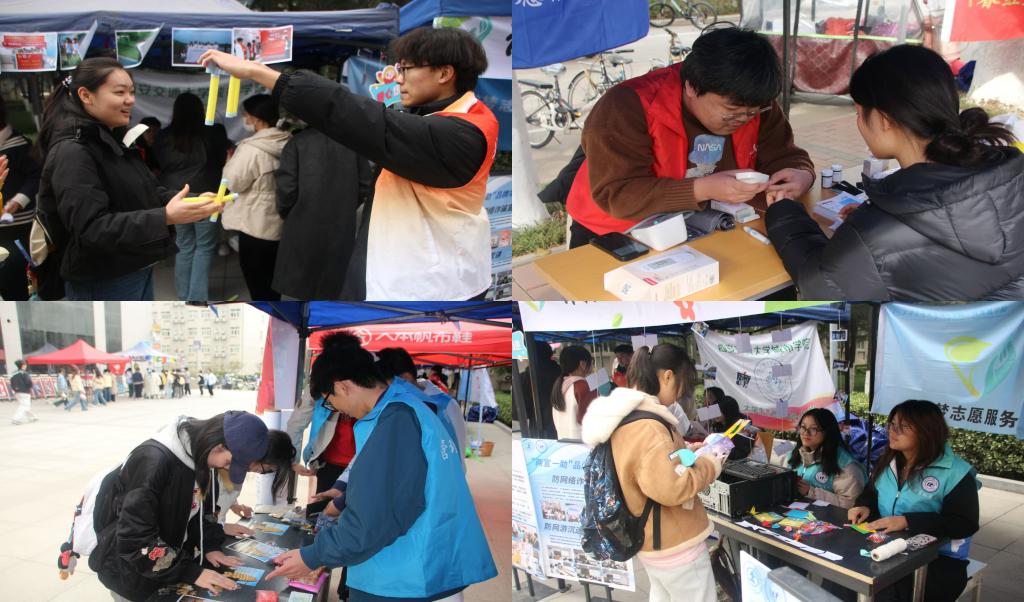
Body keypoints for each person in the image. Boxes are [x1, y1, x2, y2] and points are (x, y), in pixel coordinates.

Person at [199, 26, 498, 301]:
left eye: (406, 69)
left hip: (432, 286)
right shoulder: (443, 118)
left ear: (444, 73)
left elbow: (360, 117)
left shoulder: (461, 133)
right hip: (406, 269)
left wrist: (260, 73)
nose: (398, 78)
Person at [766, 45, 1024, 300]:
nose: (858, 123)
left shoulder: (879, 233)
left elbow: (818, 285)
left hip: (913, 329)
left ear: (884, 120)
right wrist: (871, 223)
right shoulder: (1011, 178)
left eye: (859, 113)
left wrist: (784, 212)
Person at [265, 332, 497, 600]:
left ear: (343, 386)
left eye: (330, 401)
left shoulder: (396, 420)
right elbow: (392, 485)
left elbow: (374, 516)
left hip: (404, 572)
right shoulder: (403, 407)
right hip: (415, 561)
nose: (336, 410)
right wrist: (344, 497)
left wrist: (312, 556)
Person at [563, 28, 814, 248]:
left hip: (702, 226)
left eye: (752, 112)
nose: (744, 119)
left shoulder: (754, 102)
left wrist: (802, 174)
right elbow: (618, 194)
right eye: (731, 112)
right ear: (691, 86)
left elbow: (785, 155)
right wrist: (703, 188)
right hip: (616, 234)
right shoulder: (626, 106)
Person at [35, 57, 220, 300]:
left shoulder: (110, 140)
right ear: (86, 95)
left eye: (132, 92)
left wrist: (195, 201)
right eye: (120, 92)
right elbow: (91, 229)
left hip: (134, 267)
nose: (130, 100)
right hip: (103, 279)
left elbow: (147, 191)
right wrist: (165, 217)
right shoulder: (73, 151)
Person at [581, 344, 729, 602]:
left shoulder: (626, 418)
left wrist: (687, 452)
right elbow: (673, 487)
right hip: (675, 543)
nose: (681, 393)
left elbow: (649, 467)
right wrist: (711, 463)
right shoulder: (650, 427)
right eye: (682, 384)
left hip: (652, 539)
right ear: (668, 376)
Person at [85, 411, 280, 601]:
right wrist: (191, 572)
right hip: (132, 576)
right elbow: (135, 538)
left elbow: (203, 512)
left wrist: (210, 546)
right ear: (218, 446)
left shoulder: (202, 456)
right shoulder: (152, 462)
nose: (226, 468)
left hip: (169, 568)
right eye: (229, 462)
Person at [848, 400, 979, 601]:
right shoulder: (888, 460)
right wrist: (863, 505)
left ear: (927, 431)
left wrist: (908, 521)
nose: (892, 431)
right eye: (892, 424)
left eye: (902, 426)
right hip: (887, 545)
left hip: (938, 560)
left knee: (887, 591)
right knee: (845, 578)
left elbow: (964, 523)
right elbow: (871, 492)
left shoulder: (956, 473)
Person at [273, 126, 372, 300]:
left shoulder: (297, 142)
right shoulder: (353, 143)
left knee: (299, 292)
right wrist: (346, 205)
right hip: (341, 223)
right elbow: (364, 185)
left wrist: (287, 212)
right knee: (334, 286)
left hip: (301, 224)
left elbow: (286, 190)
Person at [154, 93, 230, 301]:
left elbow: (159, 163)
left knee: (184, 244)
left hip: (176, 196)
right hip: (207, 194)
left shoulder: (163, 136)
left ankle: (183, 294)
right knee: (204, 246)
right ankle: (196, 297)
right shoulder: (214, 131)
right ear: (201, 110)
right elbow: (221, 160)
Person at [221, 94, 291, 301]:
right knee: (272, 280)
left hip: (254, 223)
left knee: (257, 282)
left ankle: (266, 315)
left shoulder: (251, 149)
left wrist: (229, 163)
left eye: (246, 114)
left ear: (256, 117)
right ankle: (276, 313)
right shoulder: (287, 141)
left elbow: (233, 183)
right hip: (279, 220)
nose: (245, 118)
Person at [0, 101, 42, 300]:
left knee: (17, 270)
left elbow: (35, 175)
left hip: (18, 222)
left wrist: (19, 200)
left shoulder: (19, 144)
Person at [784, 408, 865, 508]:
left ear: (827, 432)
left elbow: (850, 504)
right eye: (803, 427)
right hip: (794, 514)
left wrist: (811, 492)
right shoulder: (794, 455)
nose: (805, 433)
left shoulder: (845, 465)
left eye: (813, 429)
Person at [550, 345, 597, 441]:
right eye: (591, 362)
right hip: (583, 443)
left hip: (563, 442)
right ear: (582, 364)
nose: (592, 365)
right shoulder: (583, 386)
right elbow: (591, 419)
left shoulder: (560, 384)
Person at [707, 395, 752, 460]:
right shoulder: (719, 424)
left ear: (728, 411)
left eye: (719, 411)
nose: (715, 414)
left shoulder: (740, 425)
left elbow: (741, 452)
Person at [9, 359, 35, 425]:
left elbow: (11, 383)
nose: (26, 366)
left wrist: (15, 389)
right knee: (24, 406)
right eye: (25, 364)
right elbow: (29, 382)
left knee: (24, 405)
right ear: (23, 365)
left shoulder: (13, 374)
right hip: (25, 391)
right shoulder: (24, 373)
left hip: (17, 392)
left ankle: (32, 417)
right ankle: (16, 419)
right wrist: (30, 387)